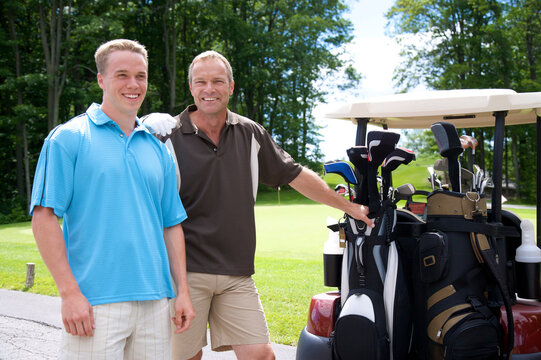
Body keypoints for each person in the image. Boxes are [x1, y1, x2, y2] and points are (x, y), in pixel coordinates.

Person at [143, 50, 373, 360]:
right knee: (185, 358)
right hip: (183, 274)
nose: (209, 89)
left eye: (217, 81)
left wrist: (349, 206)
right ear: (191, 87)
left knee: (261, 355)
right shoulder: (164, 135)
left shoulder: (250, 133)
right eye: (201, 82)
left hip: (236, 273)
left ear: (231, 86)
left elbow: (295, 175)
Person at [30, 39, 195, 359]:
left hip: (156, 303)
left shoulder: (157, 149)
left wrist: (182, 292)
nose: (133, 84)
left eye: (141, 76)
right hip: (94, 303)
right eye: (122, 75)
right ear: (101, 80)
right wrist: (69, 293)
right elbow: (44, 217)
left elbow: (171, 225)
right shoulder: (68, 138)